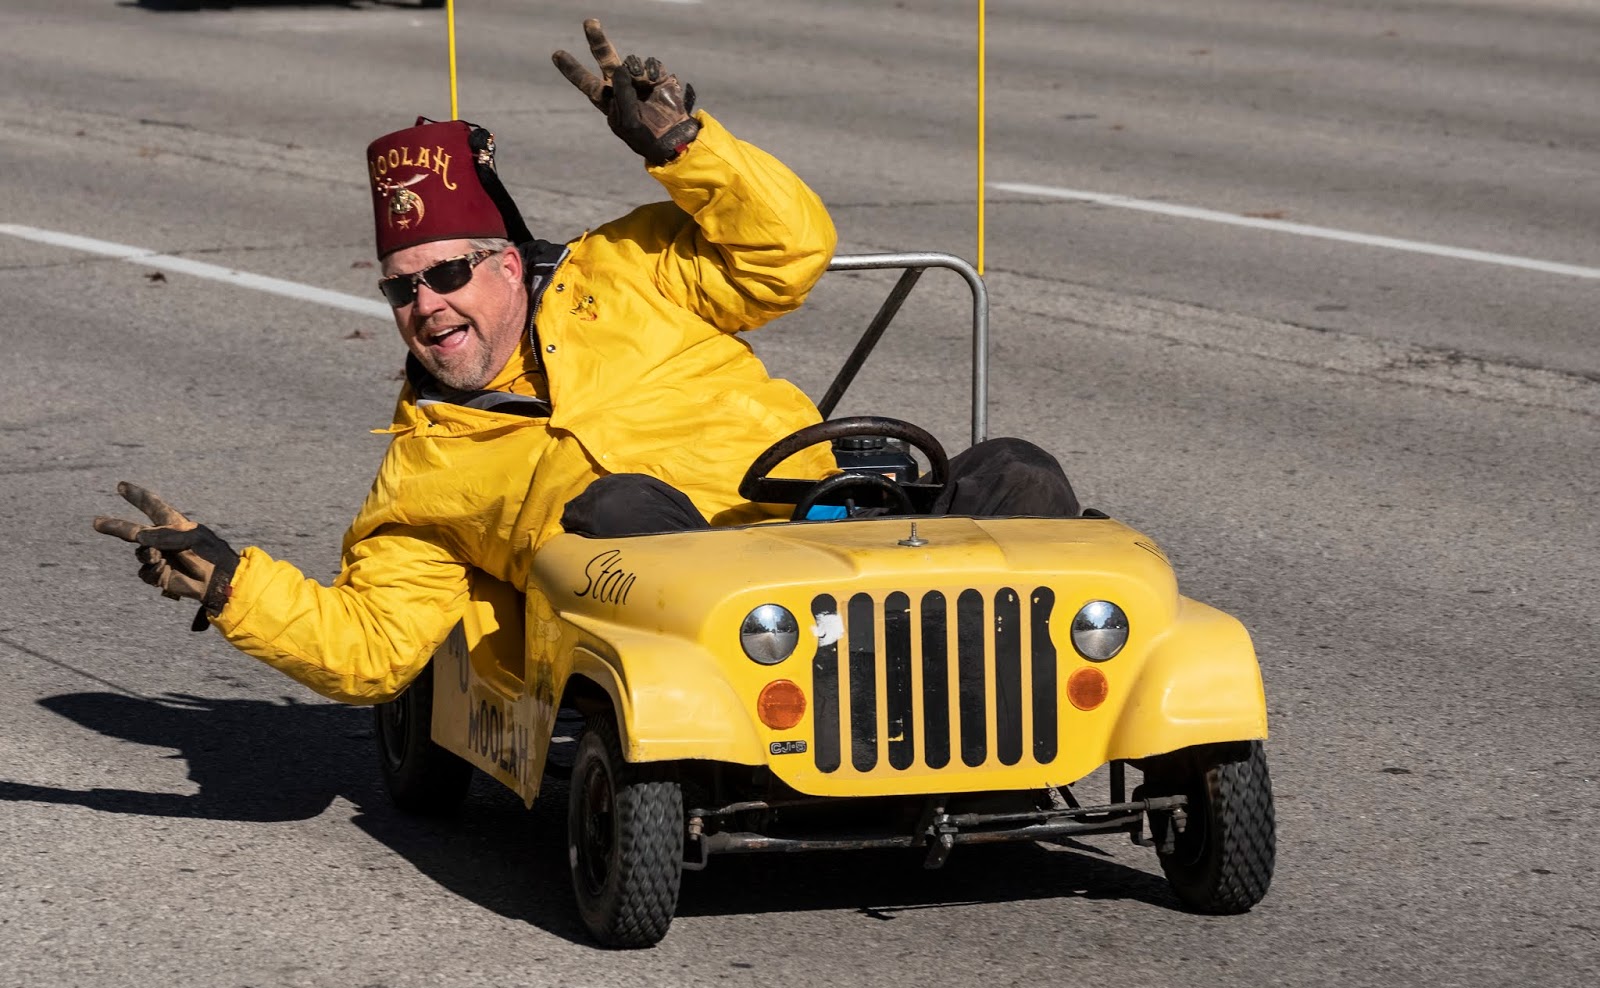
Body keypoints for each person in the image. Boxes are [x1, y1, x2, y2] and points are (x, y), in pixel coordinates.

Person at [94, 18, 1079, 707]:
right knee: (618, 514)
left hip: (830, 523)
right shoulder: (422, 476)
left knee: (1018, 472)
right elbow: (374, 651)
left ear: (506, 261)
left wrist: (684, 147)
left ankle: (997, 686)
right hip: (700, 642)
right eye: (402, 289)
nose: (426, 306)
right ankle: (870, 684)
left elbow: (791, 251)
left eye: (448, 274)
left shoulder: (624, 265)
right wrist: (234, 589)